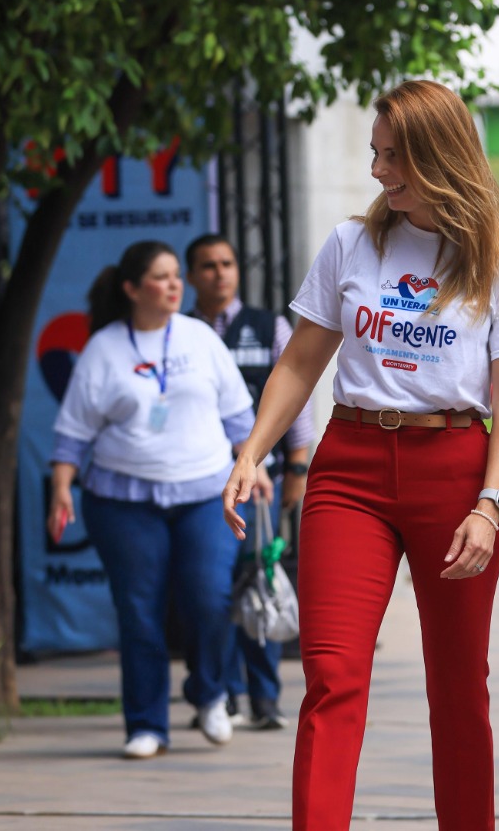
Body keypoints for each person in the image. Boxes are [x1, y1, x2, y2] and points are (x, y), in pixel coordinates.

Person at [221, 79, 499, 831]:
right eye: (375, 153)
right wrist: (253, 453)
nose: (378, 170)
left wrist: (490, 505)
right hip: (351, 468)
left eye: (394, 156)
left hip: (457, 468)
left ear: (440, 156)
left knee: (459, 687)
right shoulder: (352, 243)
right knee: (331, 677)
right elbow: (301, 362)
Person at [47, 240, 256, 760]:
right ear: (132, 288)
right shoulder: (104, 348)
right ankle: (146, 724)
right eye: (160, 278)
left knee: (209, 598)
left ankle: (210, 693)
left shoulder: (200, 338)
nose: (173, 285)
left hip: (206, 492)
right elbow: (73, 432)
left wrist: (256, 465)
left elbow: (238, 415)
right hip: (122, 501)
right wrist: (60, 489)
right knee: (139, 612)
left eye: (174, 277)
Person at [185, 232, 317, 727]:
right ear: (192, 275)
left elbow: (297, 399)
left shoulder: (268, 326)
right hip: (198, 488)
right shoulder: (181, 331)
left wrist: (298, 470)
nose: (219, 273)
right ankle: (224, 695)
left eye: (226, 263)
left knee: (260, 584)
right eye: (207, 265)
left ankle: (264, 698)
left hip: (260, 487)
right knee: (213, 593)